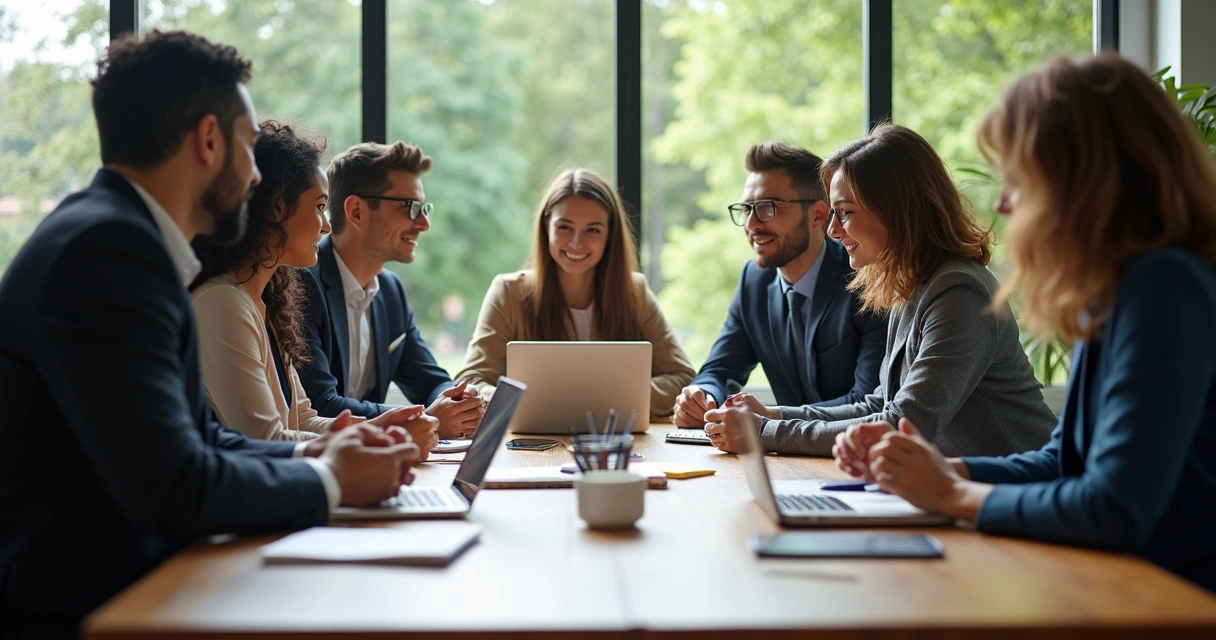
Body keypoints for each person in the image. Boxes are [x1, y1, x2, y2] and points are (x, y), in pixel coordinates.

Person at [0, 31, 419, 637]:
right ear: (208, 140)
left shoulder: (120, 238)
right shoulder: (109, 252)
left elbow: (203, 439)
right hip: (90, 605)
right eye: (248, 147)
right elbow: (175, 485)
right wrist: (331, 479)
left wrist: (315, 453)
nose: (255, 176)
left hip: (135, 582)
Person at [837, 55, 1216, 592]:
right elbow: (1065, 460)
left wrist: (951, 494)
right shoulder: (1116, 290)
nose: (1004, 203)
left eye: (1017, 179)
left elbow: (1115, 508)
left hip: (1177, 598)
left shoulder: (1164, 286)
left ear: (1080, 181)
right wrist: (948, 472)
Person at [705, 124, 1055, 457]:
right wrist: (774, 415)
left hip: (1020, 489)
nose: (832, 230)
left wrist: (766, 432)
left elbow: (903, 424)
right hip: (960, 486)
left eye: (844, 212)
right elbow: (879, 404)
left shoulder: (960, 291)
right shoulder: (912, 286)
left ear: (896, 211)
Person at [189, 120, 438, 455]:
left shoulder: (265, 301)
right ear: (277, 207)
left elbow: (304, 419)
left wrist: (383, 426)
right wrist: (383, 438)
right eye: (320, 206)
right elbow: (265, 440)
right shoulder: (222, 302)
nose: (326, 226)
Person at [672, 142, 886, 428]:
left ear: (818, 215)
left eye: (767, 208)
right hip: (782, 449)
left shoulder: (867, 280)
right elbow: (720, 369)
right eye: (746, 209)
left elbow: (869, 402)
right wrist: (702, 396)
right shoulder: (754, 281)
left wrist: (770, 420)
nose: (751, 224)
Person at [456, 168, 695, 417]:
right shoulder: (507, 293)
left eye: (593, 230)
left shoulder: (635, 293)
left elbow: (683, 378)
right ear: (546, 227)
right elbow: (471, 380)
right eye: (565, 227)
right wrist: (521, 403)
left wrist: (605, 399)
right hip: (530, 439)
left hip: (617, 438)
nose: (576, 243)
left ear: (610, 235)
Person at [294, 141, 483, 439]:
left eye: (424, 209)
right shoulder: (301, 284)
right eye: (410, 207)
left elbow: (429, 380)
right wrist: (425, 419)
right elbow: (320, 405)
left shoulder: (391, 291)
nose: (424, 224)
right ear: (357, 211)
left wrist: (457, 399)